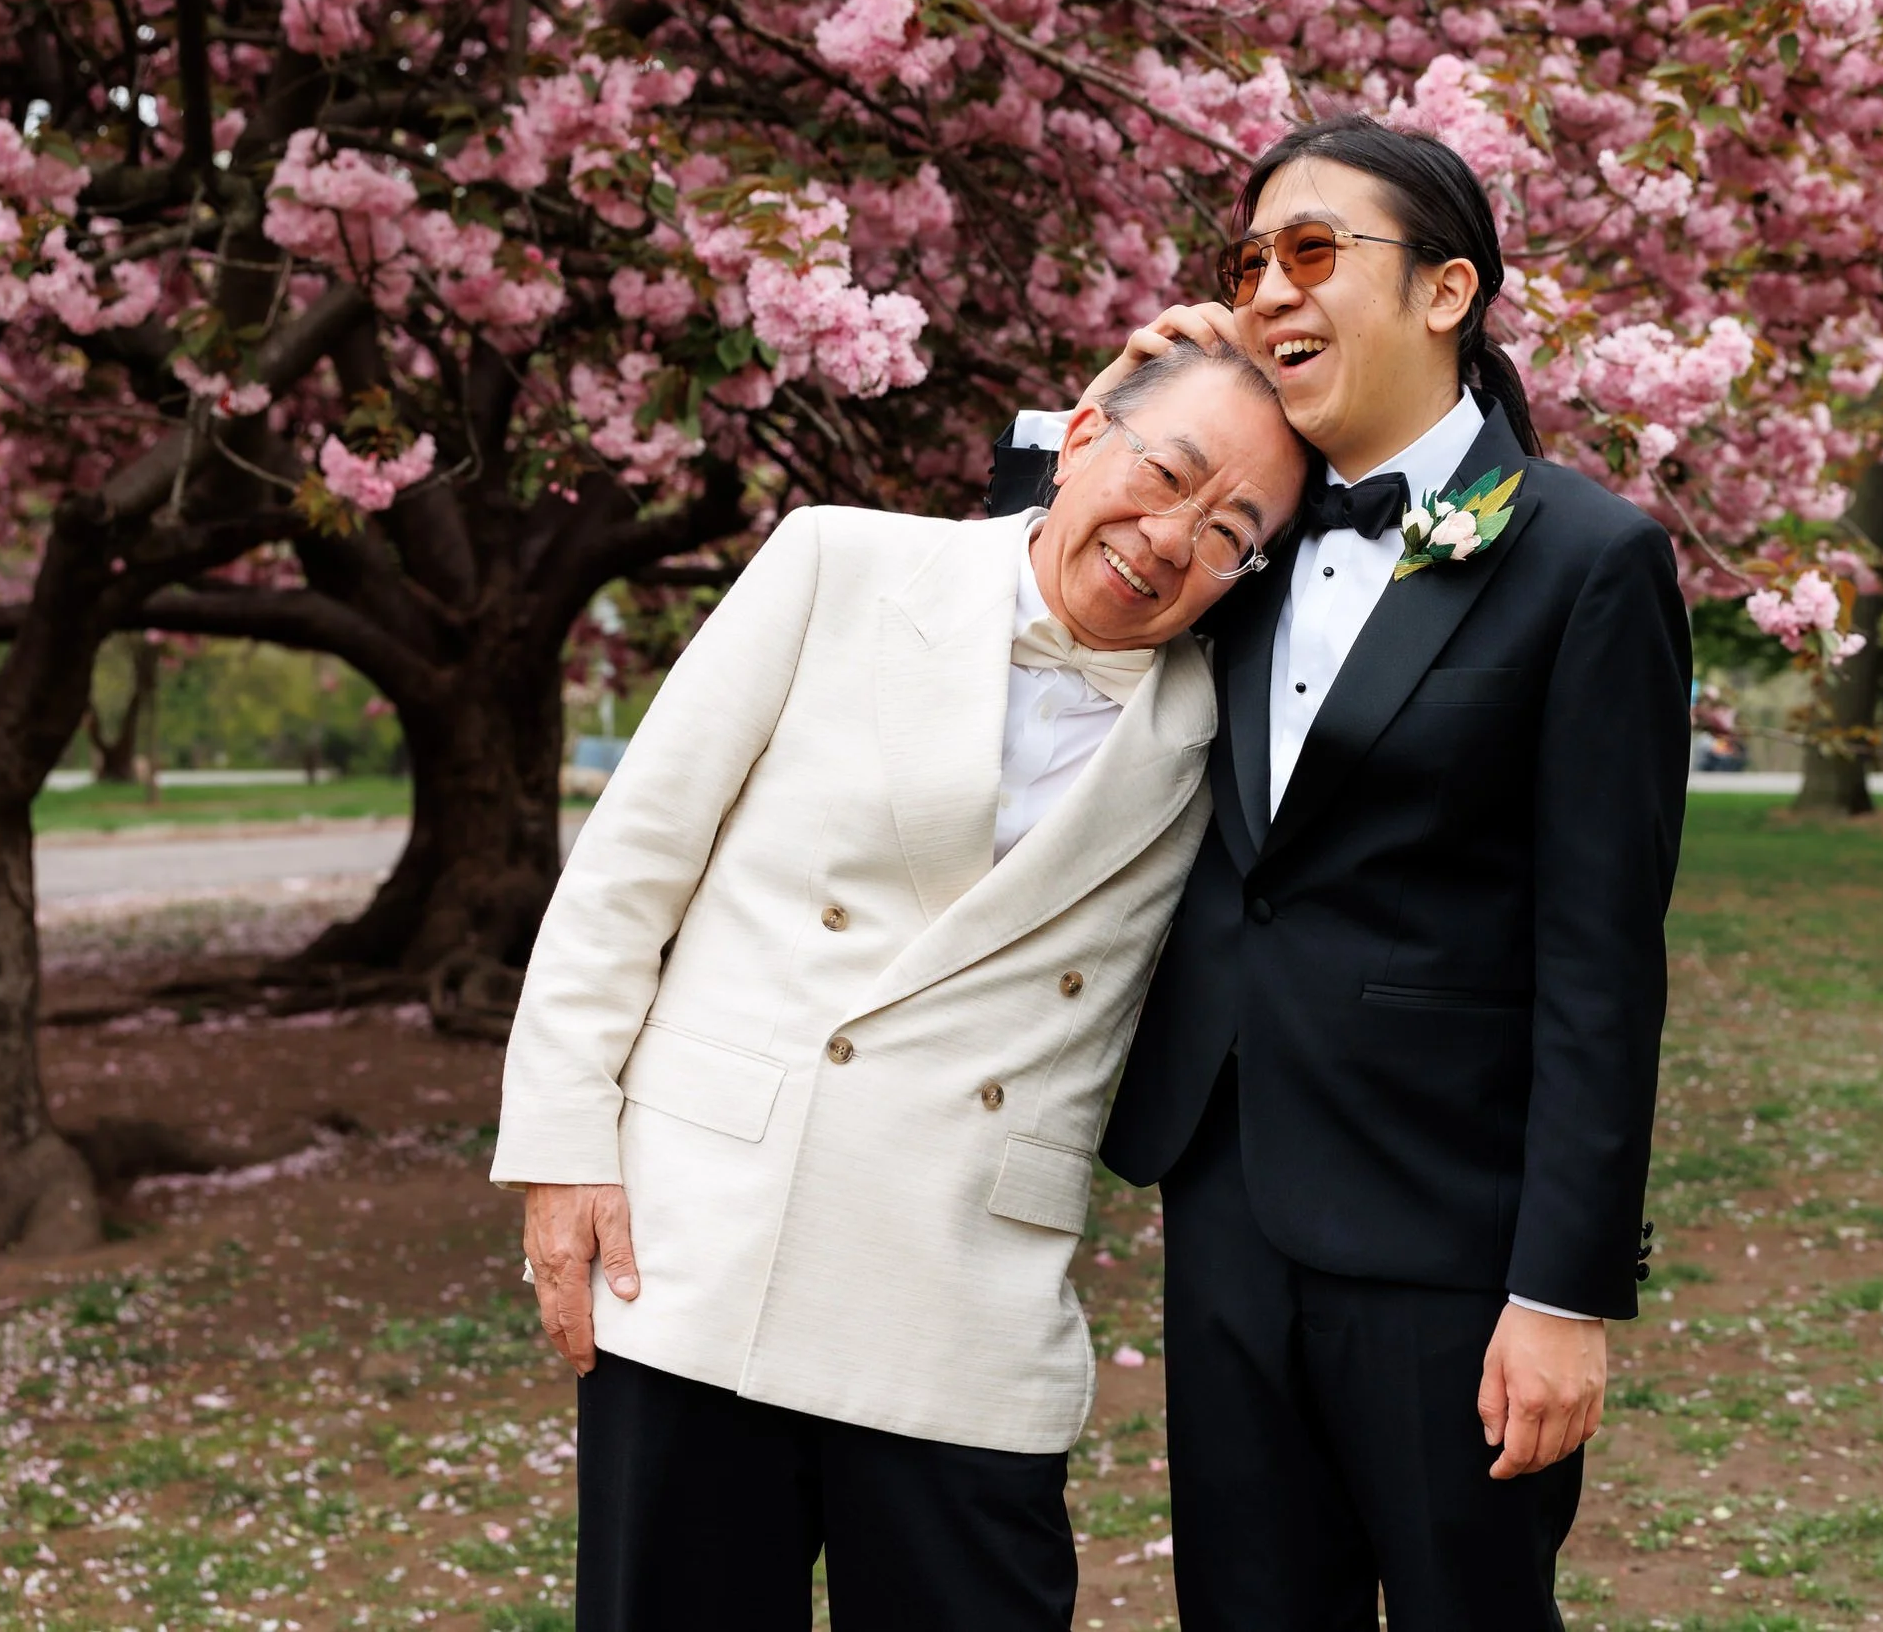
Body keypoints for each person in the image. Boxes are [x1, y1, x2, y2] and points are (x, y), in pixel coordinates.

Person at [992, 114, 1693, 1629]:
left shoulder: (1588, 562)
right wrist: (1117, 398)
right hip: (1225, 1200)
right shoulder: (1230, 528)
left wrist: (1563, 1294)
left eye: (1314, 252)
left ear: (1447, 291)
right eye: (1250, 264)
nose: (1271, 295)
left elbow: (1601, 961)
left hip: (1448, 1239)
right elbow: (1043, 593)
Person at [491, 338, 1306, 1631]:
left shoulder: (1224, 719)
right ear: (1080, 432)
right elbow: (628, 869)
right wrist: (563, 1146)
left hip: (969, 1296)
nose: (1167, 538)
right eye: (1166, 472)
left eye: (1228, 532)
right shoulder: (839, 562)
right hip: (707, 1244)